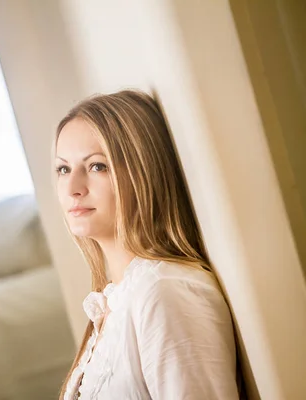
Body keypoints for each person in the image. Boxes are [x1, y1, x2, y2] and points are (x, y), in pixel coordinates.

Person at [54, 90, 239, 399]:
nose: (73, 188)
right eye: (63, 169)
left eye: (97, 166)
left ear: (142, 171)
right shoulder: (113, 302)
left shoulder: (165, 290)